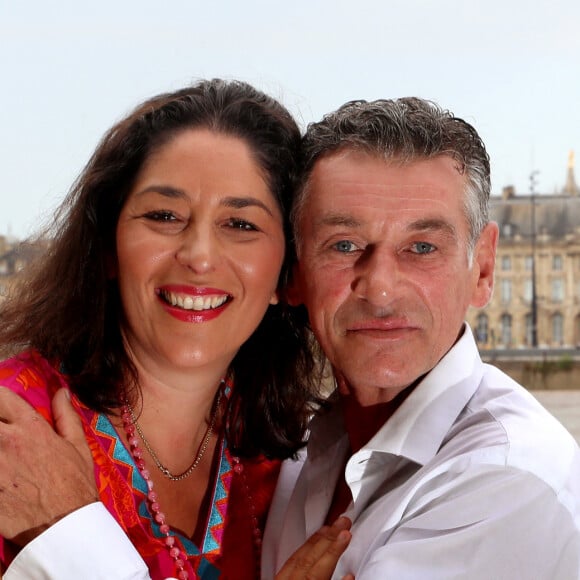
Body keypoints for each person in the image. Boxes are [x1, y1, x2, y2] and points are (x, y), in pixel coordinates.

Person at [3, 96, 580, 578]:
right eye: (344, 245)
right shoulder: (294, 450)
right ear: (299, 273)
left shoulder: (504, 481)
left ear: (482, 270)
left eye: (422, 248)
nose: (380, 289)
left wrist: (66, 535)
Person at [0, 78, 350, 579]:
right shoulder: (14, 432)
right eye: (164, 216)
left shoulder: (289, 466)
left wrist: (68, 535)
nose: (200, 257)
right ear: (106, 247)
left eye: (241, 224)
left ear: (286, 272)